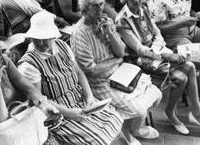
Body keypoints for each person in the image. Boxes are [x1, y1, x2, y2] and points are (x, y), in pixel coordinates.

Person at [114, 0, 200, 135]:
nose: (136, 0)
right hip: (138, 62)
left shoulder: (143, 9)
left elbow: (157, 33)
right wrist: (168, 55)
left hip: (157, 53)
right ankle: (175, 113)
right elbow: (140, 49)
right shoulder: (122, 20)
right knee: (183, 75)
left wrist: (162, 48)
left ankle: (193, 113)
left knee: (189, 66)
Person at [70, 0, 162, 143]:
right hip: (100, 83)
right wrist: (116, 61)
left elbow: (121, 52)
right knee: (139, 109)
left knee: (157, 95)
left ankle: (131, 127)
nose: (100, 9)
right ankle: (128, 130)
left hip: (120, 73)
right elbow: (91, 71)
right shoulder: (80, 34)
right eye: (95, 6)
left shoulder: (107, 22)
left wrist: (110, 33)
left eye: (101, 4)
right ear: (85, 7)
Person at [18, 11, 123, 144]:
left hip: (79, 100)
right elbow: (38, 100)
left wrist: (89, 97)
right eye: (37, 39)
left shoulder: (62, 46)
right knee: (98, 140)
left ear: (53, 36)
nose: (41, 43)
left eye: (46, 38)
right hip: (57, 112)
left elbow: (79, 73)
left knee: (115, 119)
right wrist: (69, 112)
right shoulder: (28, 64)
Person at [0, 27, 59, 145]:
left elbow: (27, 87)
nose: (1, 55)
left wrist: (43, 105)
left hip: (19, 119)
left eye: (0, 51)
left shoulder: (4, 61)